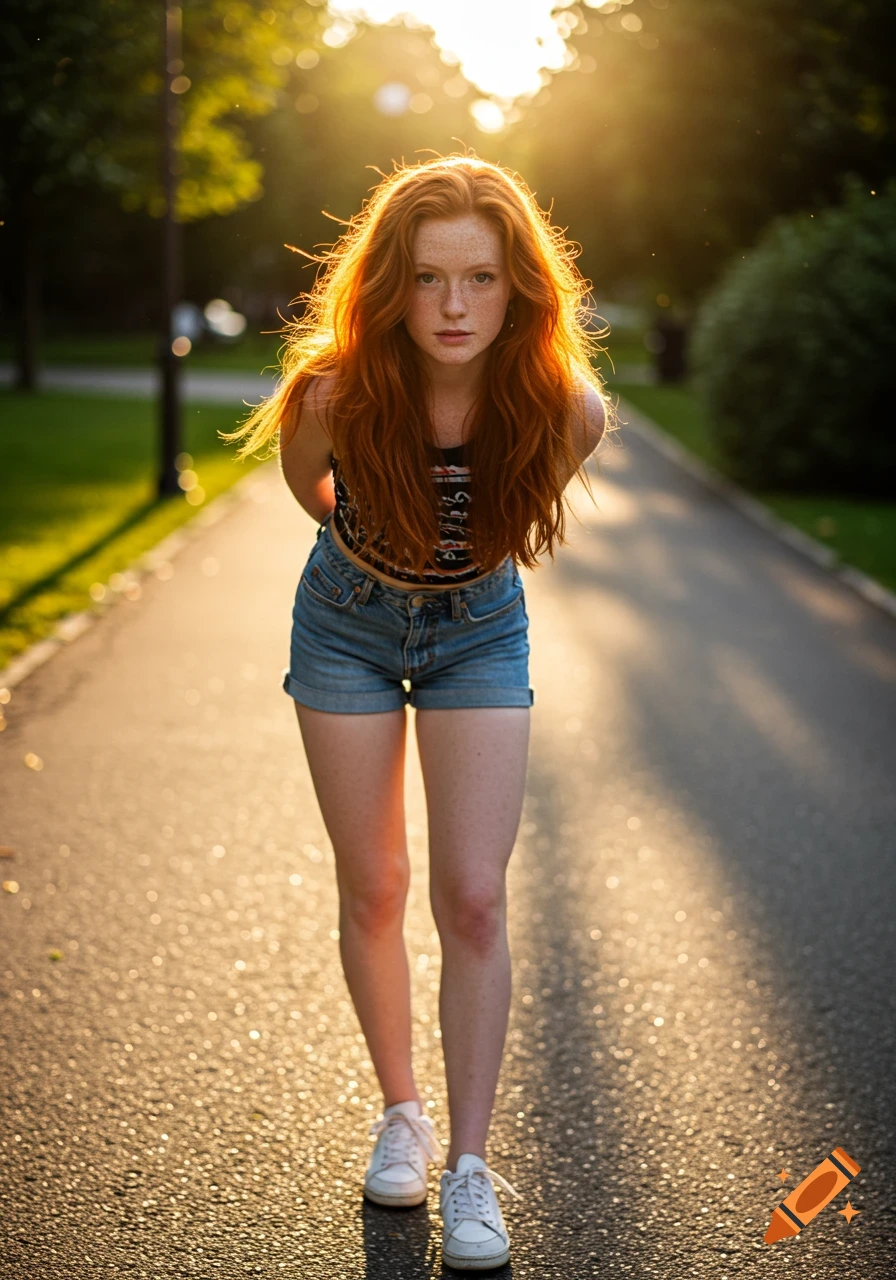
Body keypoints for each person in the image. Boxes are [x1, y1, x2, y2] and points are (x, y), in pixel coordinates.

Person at [222, 153, 612, 1271]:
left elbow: (514, 510)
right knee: (376, 880)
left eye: (480, 279)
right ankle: (402, 1110)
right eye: (429, 278)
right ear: (389, 282)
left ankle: (470, 1165)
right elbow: (314, 493)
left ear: (518, 287)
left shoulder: (560, 404)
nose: (452, 307)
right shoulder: (333, 392)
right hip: (343, 621)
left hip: (478, 630)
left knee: (474, 894)